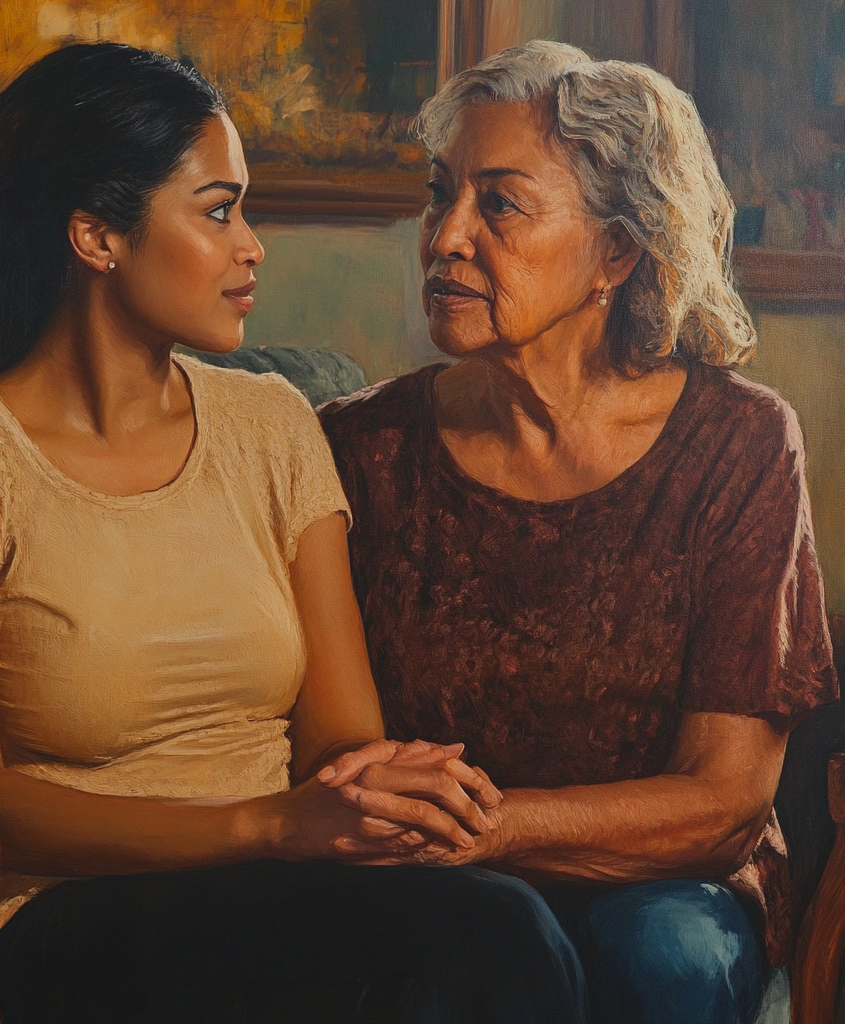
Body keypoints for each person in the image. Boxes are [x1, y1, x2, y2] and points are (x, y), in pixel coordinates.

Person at [0, 42, 592, 1024]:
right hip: (71, 918)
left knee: (503, 926)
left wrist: (382, 786)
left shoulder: (273, 425)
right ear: (97, 236)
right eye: (218, 209)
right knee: (477, 945)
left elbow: (341, 734)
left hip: (285, 885)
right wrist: (264, 826)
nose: (252, 245)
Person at [318, 40, 838, 1024]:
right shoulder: (362, 445)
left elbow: (723, 801)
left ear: (616, 252)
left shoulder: (736, 444)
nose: (443, 238)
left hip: (666, 891)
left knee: (661, 952)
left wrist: (489, 830)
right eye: (442, 195)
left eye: (499, 204)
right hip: (436, 891)